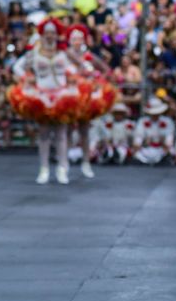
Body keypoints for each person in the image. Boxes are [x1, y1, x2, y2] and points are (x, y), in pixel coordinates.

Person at [9, 18, 84, 184]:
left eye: (53, 33)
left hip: (61, 94)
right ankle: (44, 169)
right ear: (42, 34)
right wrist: (25, 78)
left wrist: (73, 76)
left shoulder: (63, 52)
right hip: (42, 94)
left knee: (61, 133)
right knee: (43, 133)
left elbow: (79, 66)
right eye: (47, 33)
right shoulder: (34, 52)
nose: (50, 36)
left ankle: (62, 168)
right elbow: (17, 67)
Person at [65, 24, 114, 178]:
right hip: (69, 96)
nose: (77, 41)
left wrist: (99, 81)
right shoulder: (65, 56)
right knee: (66, 130)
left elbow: (106, 70)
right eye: (74, 39)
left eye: (79, 38)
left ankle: (86, 163)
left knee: (85, 131)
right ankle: (64, 162)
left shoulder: (89, 56)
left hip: (85, 98)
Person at [133, 97, 174, 165]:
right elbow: (139, 136)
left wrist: (166, 144)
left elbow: (169, 138)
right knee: (138, 155)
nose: (155, 114)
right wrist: (138, 144)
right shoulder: (142, 121)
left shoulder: (167, 121)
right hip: (146, 149)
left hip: (162, 149)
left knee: (170, 153)